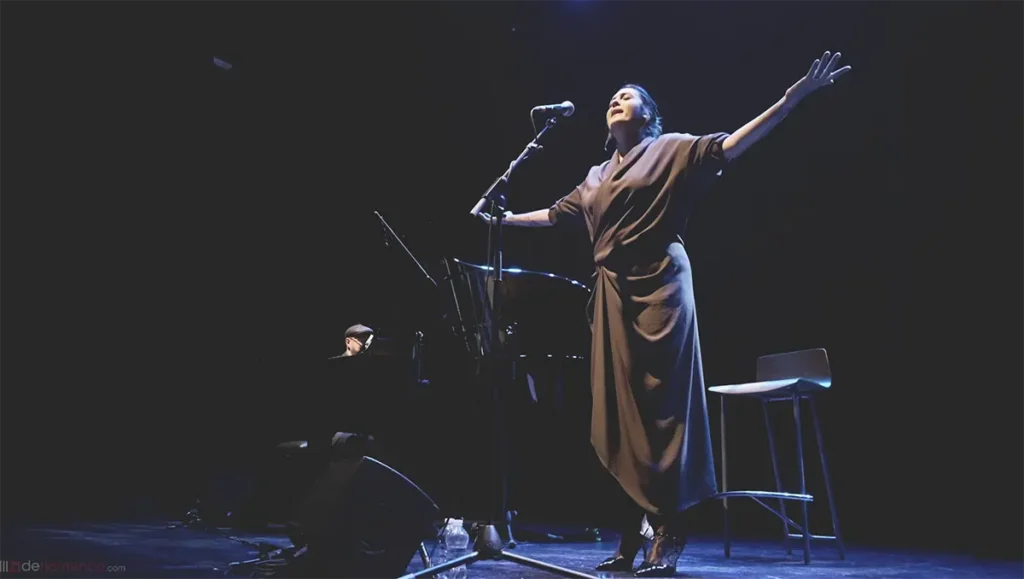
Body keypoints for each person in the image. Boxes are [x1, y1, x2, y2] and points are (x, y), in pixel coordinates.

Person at [479, 51, 851, 577]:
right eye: (613, 96)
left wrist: (791, 100)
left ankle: (669, 533)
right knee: (617, 415)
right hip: (612, 296)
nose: (617, 99)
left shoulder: (670, 149)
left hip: (661, 289)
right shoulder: (595, 177)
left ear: (649, 116)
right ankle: (630, 536)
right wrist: (504, 219)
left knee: (662, 408)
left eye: (629, 96)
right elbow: (557, 215)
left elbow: (731, 145)